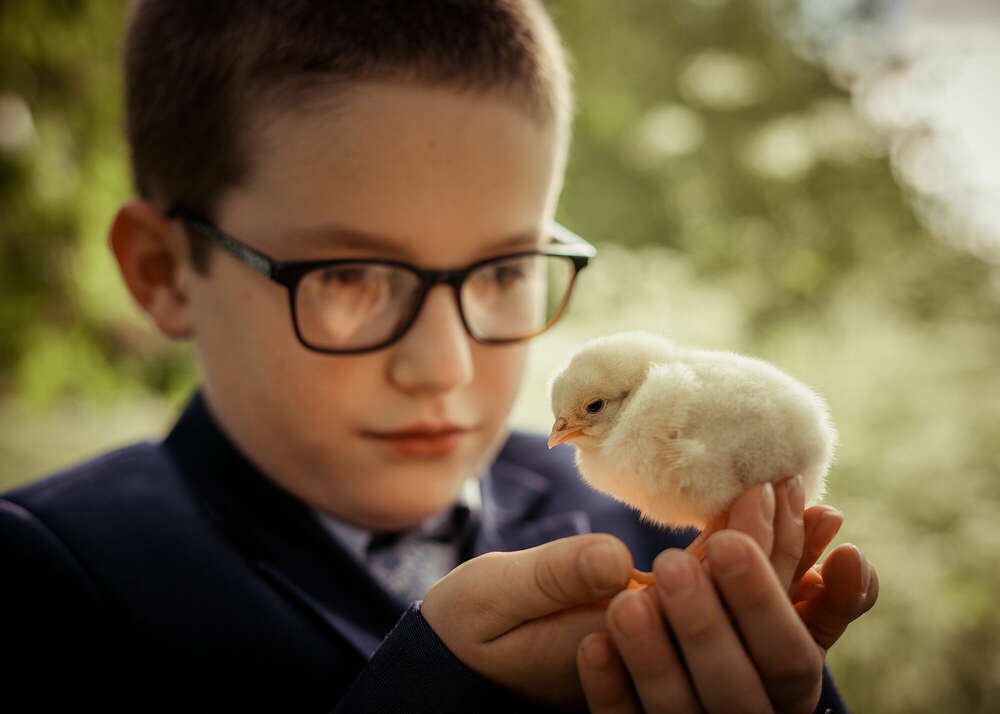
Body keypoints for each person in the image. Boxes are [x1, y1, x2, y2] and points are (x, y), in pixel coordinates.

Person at [0, 1, 877, 712]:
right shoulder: (46, 588)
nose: (447, 365)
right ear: (164, 273)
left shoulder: (646, 520)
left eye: (504, 269)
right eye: (348, 275)